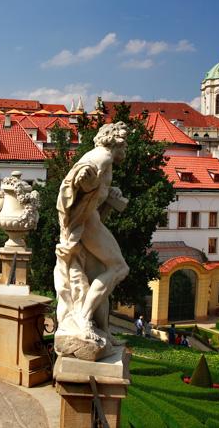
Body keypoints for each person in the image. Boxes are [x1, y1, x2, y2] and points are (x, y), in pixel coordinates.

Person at [54, 122, 130, 352]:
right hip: (86, 225)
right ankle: (84, 319)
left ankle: (102, 329)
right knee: (118, 268)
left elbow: (92, 193)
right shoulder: (102, 158)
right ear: (115, 143)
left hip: (91, 222)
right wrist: (82, 180)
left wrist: (108, 196)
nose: (126, 149)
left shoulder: (103, 160)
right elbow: (73, 183)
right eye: (125, 144)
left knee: (100, 274)